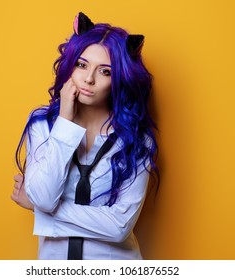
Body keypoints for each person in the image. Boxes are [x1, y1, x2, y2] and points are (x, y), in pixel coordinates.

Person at [11, 12, 159, 260]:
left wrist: (39, 210)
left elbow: (119, 227)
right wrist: (65, 122)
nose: (88, 79)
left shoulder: (137, 140)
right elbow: (46, 198)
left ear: (120, 79)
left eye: (105, 72)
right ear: (70, 66)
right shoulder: (42, 125)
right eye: (82, 65)